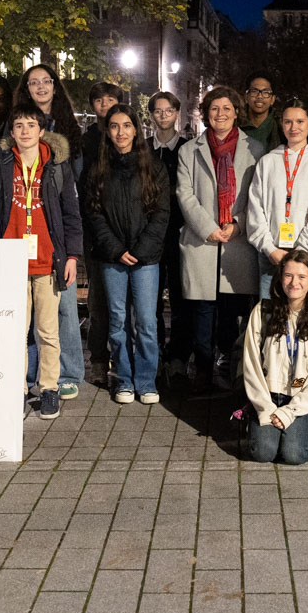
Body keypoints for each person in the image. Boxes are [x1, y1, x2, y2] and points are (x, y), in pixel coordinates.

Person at [0, 102, 83, 419]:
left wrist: (72, 256)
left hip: (48, 260)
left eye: (31, 125)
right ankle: (18, 389)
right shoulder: (0, 167)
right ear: (11, 132)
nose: (25, 131)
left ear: (41, 131)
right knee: (15, 331)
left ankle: (49, 388)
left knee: (48, 331)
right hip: (11, 261)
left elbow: (71, 215)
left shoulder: (56, 167)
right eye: (19, 125)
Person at [177, 86, 265, 388]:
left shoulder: (255, 150)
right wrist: (207, 227)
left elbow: (258, 195)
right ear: (206, 114)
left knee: (232, 309)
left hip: (237, 240)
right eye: (214, 108)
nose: (221, 114)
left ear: (237, 112)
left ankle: (229, 366)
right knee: (202, 310)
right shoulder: (190, 150)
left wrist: (238, 224)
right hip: (201, 239)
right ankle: (202, 367)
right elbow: (185, 194)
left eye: (227, 108)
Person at [85, 105, 171, 405]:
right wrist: (116, 249)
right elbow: (94, 213)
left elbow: (161, 214)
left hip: (145, 259)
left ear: (136, 129)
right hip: (112, 258)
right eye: (114, 126)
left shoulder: (153, 167)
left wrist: (139, 250)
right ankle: (123, 379)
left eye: (126, 125)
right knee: (118, 320)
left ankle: (146, 381)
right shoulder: (98, 168)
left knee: (146, 322)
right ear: (107, 132)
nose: (120, 132)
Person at [12, 64, 85, 394]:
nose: (40, 87)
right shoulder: (15, 128)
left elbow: (74, 186)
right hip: (23, 232)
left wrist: (72, 244)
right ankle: (30, 375)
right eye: (33, 82)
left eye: (46, 81)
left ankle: (66, 374)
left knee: (63, 308)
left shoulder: (68, 129)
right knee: (28, 315)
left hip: (53, 230)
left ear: (55, 86)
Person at [241, 250, 308, 465]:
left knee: (294, 455)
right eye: (288, 275)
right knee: (263, 453)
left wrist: (291, 411)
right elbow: (251, 364)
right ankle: (261, 425)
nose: (294, 282)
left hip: (303, 399)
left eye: (302, 277)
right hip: (267, 396)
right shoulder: (263, 311)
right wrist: (265, 407)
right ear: (280, 278)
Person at [247, 99, 308, 297]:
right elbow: (255, 208)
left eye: (300, 121)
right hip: (272, 255)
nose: (294, 128)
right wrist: (269, 248)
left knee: (307, 312)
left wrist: (299, 254)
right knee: (270, 312)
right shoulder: (267, 161)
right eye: (288, 122)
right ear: (282, 123)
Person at [80, 80, 126, 384]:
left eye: (110, 99)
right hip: (94, 227)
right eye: (99, 100)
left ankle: (124, 360)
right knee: (97, 298)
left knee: (124, 301)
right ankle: (98, 359)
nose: (104, 104)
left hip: (124, 227)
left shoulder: (127, 137)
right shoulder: (87, 140)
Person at [148, 91, 191, 383]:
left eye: (168, 110)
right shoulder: (142, 149)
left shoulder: (188, 149)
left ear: (177, 113)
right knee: (150, 300)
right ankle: (154, 356)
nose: (163, 115)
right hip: (150, 235)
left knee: (180, 298)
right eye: (158, 111)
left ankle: (178, 358)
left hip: (180, 233)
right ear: (151, 115)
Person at [241, 72, 282, 150]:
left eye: (265, 92)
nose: (259, 96)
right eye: (254, 91)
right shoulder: (235, 125)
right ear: (246, 97)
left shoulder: (281, 127)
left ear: (272, 99)